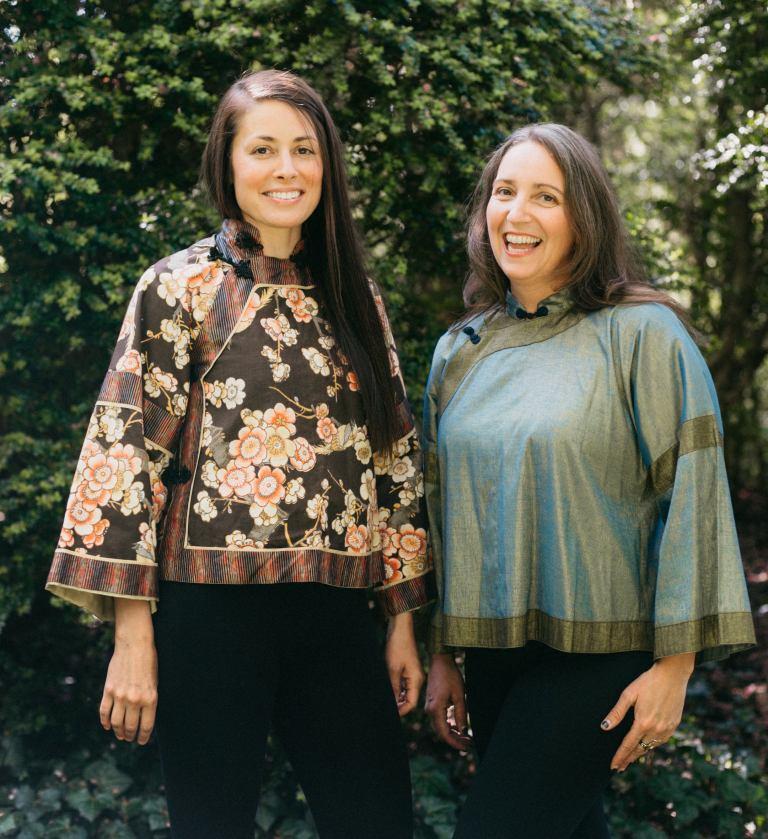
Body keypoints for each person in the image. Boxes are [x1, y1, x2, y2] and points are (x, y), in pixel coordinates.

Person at [46, 69, 432, 839]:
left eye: (304, 149)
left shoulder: (356, 295)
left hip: (337, 614)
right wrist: (132, 637)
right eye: (263, 149)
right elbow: (124, 456)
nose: (286, 169)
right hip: (210, 616)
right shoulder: (178, 287)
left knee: (378, 822)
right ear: (227, 165)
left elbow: (394, 463)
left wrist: (399, 621)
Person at [422, 123, 755, 839]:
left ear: (585, 217)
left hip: (604, 653)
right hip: (494, 646)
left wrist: (677, 664)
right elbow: (442, 508)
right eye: (504, 193)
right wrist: (444, 650)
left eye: (546, 196)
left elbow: (691, 493)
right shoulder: (458, 350)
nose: (517, 214)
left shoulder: (643, 333)